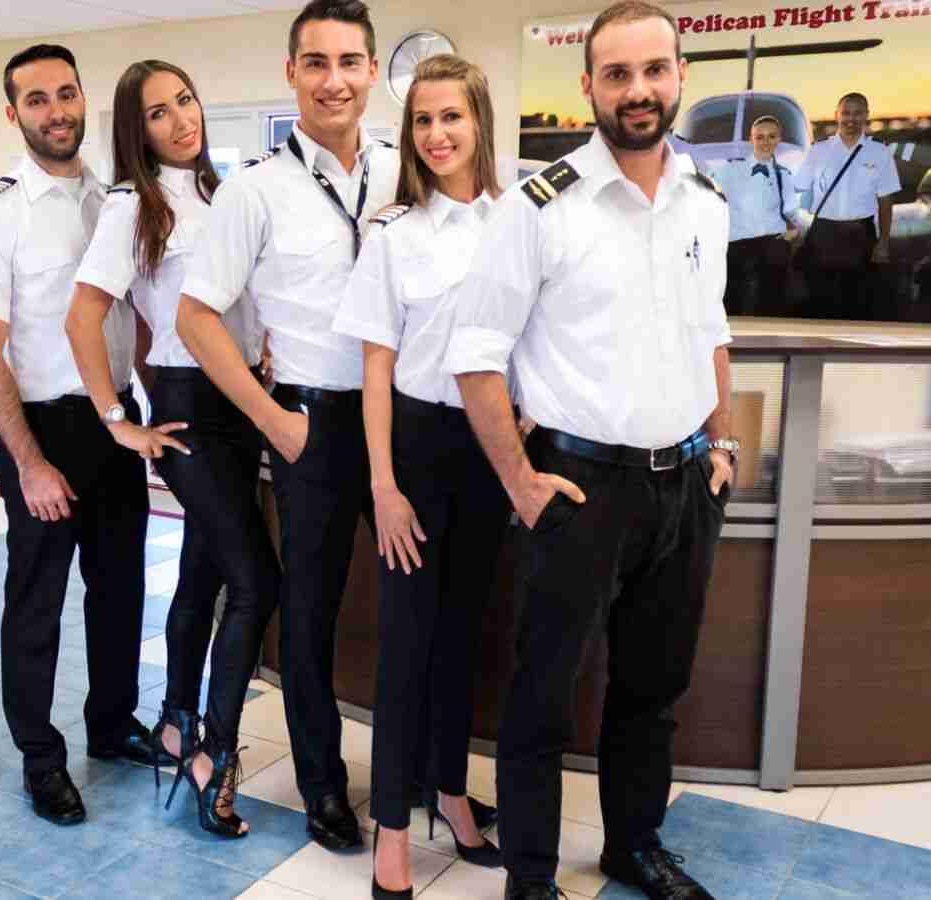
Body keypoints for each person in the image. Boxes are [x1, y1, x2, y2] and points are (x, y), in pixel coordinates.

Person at [445, 3, 739, 899]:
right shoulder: (543, 206)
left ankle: (633, 847)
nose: (639, 90)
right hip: (579, 487)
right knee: (543, 696)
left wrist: (722, 440)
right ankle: (530, 876)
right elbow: (474, 356)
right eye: (617, 74)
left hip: (685, 484)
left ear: (681, 74)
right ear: (589, 89)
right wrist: (520, 482)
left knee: (653, 688)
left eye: (654, 70)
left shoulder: (705, 201)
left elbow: (713, 329)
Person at [177, 0, 398, 852]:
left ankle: (413, 783)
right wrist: (273, 418)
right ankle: (324, 789)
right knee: (309, 616)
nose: (334, 79)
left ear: (372, 71)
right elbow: (199, 318)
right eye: (316, 62)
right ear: (292, 74)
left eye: (349, 61)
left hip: (401, 420)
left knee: (419, 607)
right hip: (309, 420)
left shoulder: (404, 170)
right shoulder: (256, 190)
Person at [0, 43, 171, 827]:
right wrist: (30, 462)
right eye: (38, 99)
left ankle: (111, 729)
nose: (57, 111)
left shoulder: (120, 199)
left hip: (116, 422)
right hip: (42, 427)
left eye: (67, 94)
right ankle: (41, 759)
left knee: (119, 591)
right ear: (14, 115)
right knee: (37, 605)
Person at [65, 59, 277, 839]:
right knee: (257, 581)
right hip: (187, 409)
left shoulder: (226, 191)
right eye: (158, 112)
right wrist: (117, 417)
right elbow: (82, 316)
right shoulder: (133, 204)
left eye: (185, 101)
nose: (180, 119)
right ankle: (212, 758)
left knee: (204, 572)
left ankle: (175, 721)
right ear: (135, 127)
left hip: (244, 402)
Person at [330, 53, 508, 898]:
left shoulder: (520, 224)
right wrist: (383, 485)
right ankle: (393, 831)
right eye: (423, 121)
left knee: (464, 637)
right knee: (406, 648)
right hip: (417, 449)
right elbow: (375, 367)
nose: (437, 135)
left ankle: (450, 792)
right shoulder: (394, 234)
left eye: (451, 117)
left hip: (495, 452)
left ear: (480, 121)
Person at [794, 92, 901, 320]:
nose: (851, 119)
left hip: (860, 234)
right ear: (836, 115)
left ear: (866, 116)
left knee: (859, 302)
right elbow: (797, 188)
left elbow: (885, 202)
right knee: (819, 302)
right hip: (824, 232)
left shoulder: (880, 153)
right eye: (846, 113)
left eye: (857, 113)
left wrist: (883, 242)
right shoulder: (818, 151)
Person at [717, 115, 797, 316]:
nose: (765, 142)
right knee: (737, 308)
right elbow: (711, 203)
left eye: (771, 136)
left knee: (772, 309)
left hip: (773, 248)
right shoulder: (729, 170)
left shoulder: (784, 175)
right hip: (739, 249)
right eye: (759, 137)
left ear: (779, 139)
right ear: (751, 139)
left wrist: (793, 230)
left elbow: (790, 211)